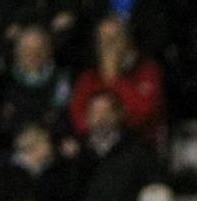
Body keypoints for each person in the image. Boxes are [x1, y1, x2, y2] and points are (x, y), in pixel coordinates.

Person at [55, 90, 162, 201]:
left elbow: (155, 187)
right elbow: (66, 193)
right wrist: (74, 161)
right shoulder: (79, 150)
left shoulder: (137, 149)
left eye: (106, 111)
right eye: (95, 112)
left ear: (118, 114)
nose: (100, 117)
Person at [69, 15, 166, 146]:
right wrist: (100, 124)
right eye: (104, 38)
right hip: (96, 146)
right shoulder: (89, 75)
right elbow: (78, 118)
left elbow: (147, 112)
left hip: (139, 145)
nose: (109, 43)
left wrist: (115, 79)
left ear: (128, 39)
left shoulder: (147, 69)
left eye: (115, 37)